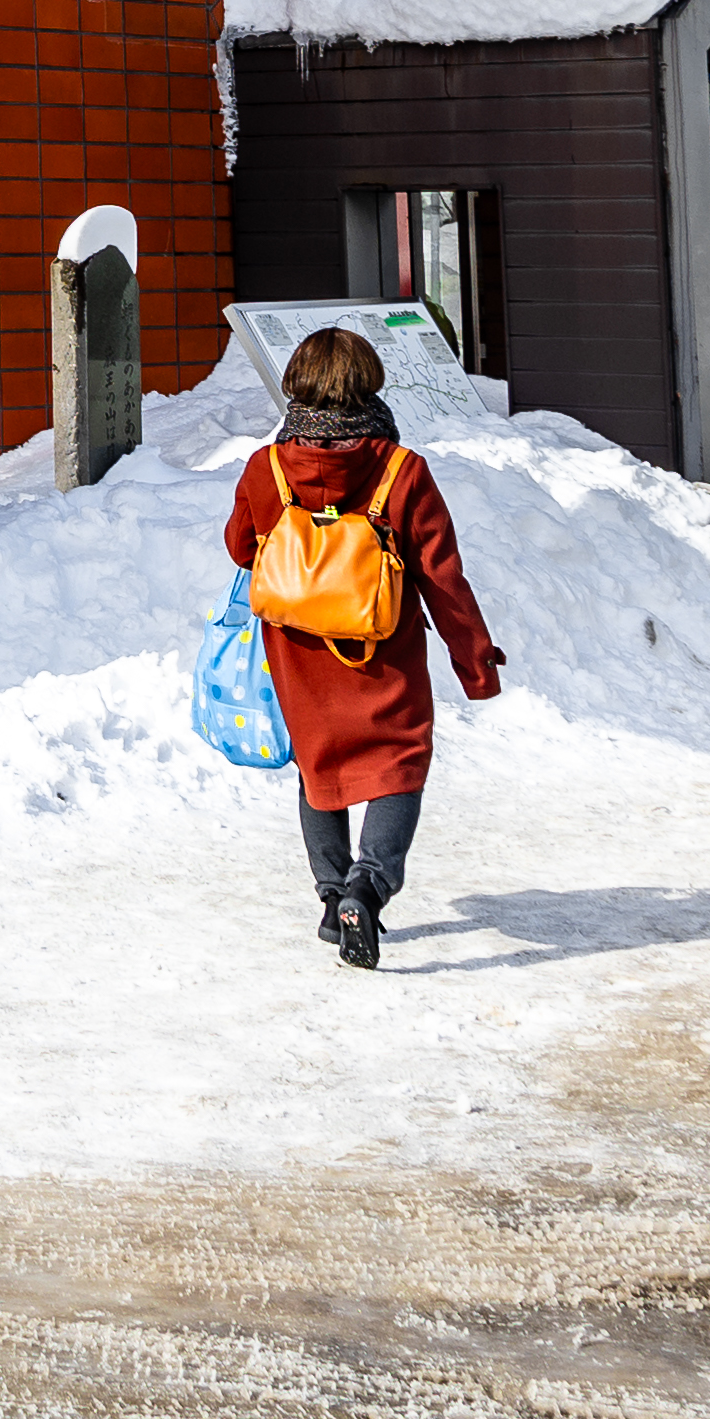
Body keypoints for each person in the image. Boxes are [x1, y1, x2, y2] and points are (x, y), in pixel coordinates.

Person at [225, 326, 503, 971]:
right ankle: (367, 888)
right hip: (383, 648)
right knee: (399, 761)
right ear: (369, 383)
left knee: (319, 766)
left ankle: (330, 897)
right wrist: (475, 662)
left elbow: (243, 548)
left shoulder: (266, 467)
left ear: (296, 384)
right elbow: (441, 575)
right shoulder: (402, 471)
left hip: (298, 649)